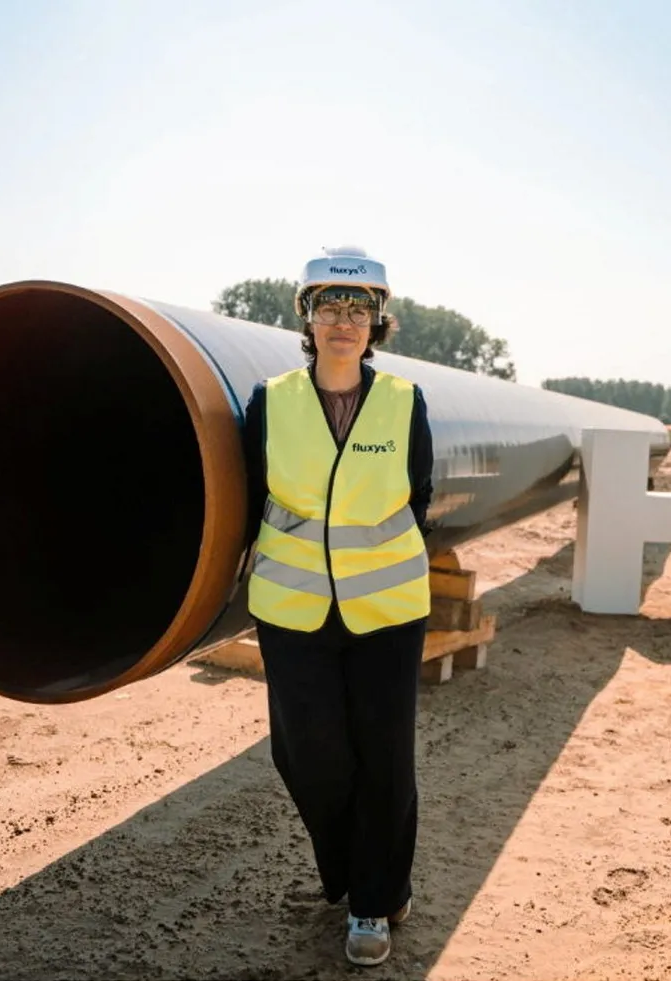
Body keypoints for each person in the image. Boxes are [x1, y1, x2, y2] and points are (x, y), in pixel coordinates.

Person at [241, 245, 434, 967]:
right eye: (330, 306)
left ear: (378, 321)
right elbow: (248, 493)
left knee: (384, 756)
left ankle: (371, 902)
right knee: (308, 754)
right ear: (307, 316)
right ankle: (363, 873)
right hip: (292, 609)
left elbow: (418, 495)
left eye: (359, 308)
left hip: (386, 610)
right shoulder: (272, 401)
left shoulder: (405, 402)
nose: (344, 320)